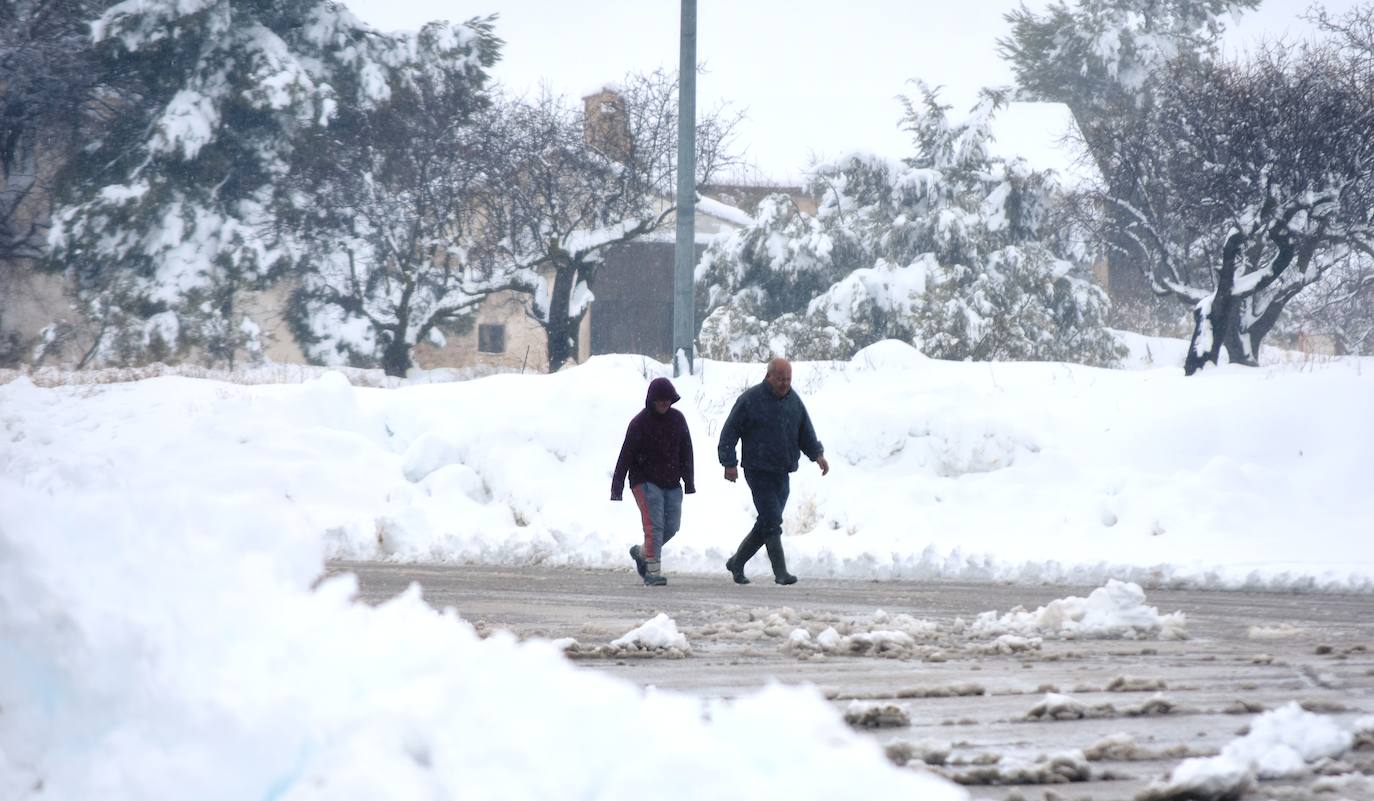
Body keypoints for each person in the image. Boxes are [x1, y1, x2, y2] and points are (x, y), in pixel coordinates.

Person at [718, 357, 829, 585]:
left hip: (782, 471)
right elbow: (729, 432)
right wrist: (729, 462)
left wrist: (817, 455)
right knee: (772, 521)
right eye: (780, 379)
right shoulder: (750, 400)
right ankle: (781, 572)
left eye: (788, 379)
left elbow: (805, 431)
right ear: (768, 376)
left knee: (768, 521)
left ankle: (737, 562)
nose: (784, 383)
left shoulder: (793, 401)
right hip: (757, 470)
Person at [611, 376, 695, 586]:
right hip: (645, 481)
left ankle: (641, 553)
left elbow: (686, 452)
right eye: (660, 400)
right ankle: (652, 572)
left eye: (668, 399)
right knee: (654, 526)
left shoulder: (678, 420)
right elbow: (626, 455)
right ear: (652, 400)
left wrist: (689, 481)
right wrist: (617, 487)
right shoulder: (639, 424)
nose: (665, 403)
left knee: (671, 526)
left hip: (672, 482)